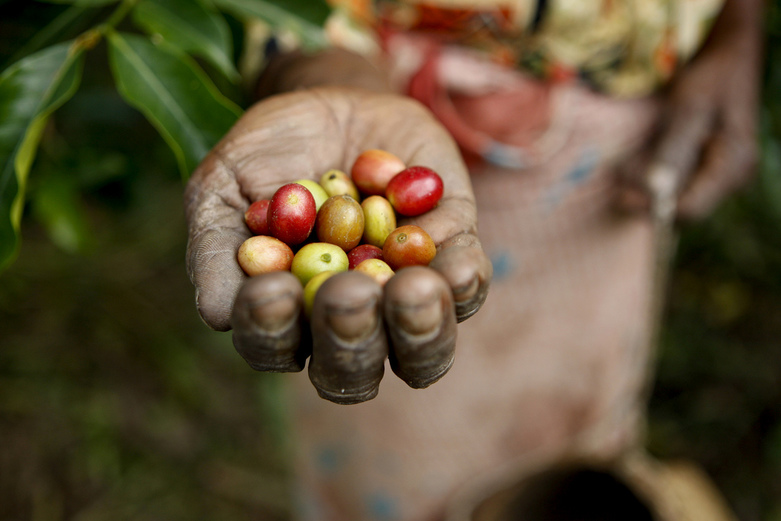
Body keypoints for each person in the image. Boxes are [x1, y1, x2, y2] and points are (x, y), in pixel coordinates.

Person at [183, 0, 762, 519]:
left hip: (617, 137)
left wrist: (738, 26)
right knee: (392, 443)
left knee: (576, 449)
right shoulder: (349, 222)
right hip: (374, 76)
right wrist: (319, 68)